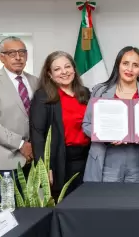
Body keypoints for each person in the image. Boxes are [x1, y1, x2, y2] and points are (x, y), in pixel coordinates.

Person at [0, 36, 38, 202]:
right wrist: (20, 144)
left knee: (29, 215)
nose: (18, 57)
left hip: (32, 159)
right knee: (4, 217)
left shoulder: (35, 81)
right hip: (4, 160)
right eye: (11, 53)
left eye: (22, 52)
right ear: (1, 57)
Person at [82, 46, 139, 183]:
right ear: (118, 65)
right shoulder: (100, 91)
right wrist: (106, 136)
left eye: (135, 65)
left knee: (136, 203)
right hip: (107, 161)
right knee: (107, 202)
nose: (129, 69)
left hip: (138, 163)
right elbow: (86, 125)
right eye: (125, 63)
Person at [30, 51, 91, 199]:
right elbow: (37, 134)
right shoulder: (43, 96)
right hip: (60, 162)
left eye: (67, 67)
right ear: (50, 74)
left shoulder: (86, 93)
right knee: (65, 208)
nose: (64, 72)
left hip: (87, 161)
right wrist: (44, 167)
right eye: (57, 69)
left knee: (88, 205)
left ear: (74, 69)